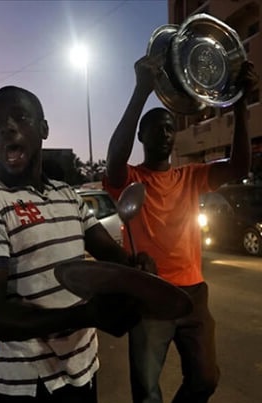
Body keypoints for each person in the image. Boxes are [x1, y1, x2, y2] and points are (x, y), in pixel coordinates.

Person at [0, 85, 154, 403]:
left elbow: (112, 256)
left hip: (83, 366)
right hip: (30, 384)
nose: (6, 126)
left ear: (44, 129)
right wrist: (86, 316)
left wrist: (137, 266)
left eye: (19, 116)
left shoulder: (67, 195)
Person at [103, 58, 258, 403]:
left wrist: (241, 103)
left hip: (193, 295)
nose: (166, 134)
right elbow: (114, 160)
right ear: (142, 135)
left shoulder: (191, 176)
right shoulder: (131, 180)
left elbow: (239, 165)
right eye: (158, 128)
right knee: (146, 392)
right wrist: (141, 90)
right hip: (149, 294)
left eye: (171, 127)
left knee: (205, 378)